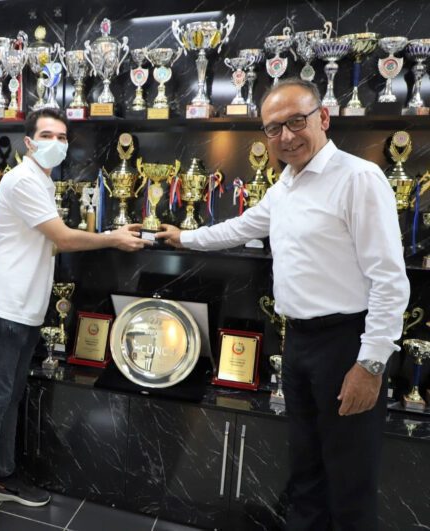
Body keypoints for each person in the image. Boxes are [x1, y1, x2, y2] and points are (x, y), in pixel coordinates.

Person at [156, 78, 410, 531]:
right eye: (274, 128)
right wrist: (185, 237)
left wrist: (370, 365)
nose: (286, 136)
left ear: (323, 118)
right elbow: (241, 227)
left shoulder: (358, 179)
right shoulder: (286, 185)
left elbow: (389, 279)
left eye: (296, 122)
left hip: (345, 346)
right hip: (299, 343)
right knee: (306, 469)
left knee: (350, 479)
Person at [0, 108, 150, 531]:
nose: (56, 142)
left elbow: (53, 241)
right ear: (29, 142)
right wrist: (112, 238)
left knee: (11, 396)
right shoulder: (23, 180)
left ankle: (3, 474)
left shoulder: (42, 182)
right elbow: (63, 237)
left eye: (63, 136)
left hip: (26, 307)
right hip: (5, 308)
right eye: (47, 135)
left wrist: (105, 235)